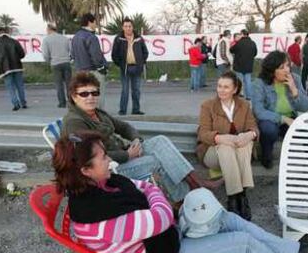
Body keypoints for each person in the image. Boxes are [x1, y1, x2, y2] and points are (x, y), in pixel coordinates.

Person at [53, 131, 308, 253]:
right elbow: (158, 213)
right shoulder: (96, 219)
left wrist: (155, 199)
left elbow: (147, 188)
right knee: (240, 243)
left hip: (163, 240)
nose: (109, 160)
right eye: (102, 157)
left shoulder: (104, 184)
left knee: (227, 219)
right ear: (86, 171)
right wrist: (157, 200)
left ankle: (293, 251)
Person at [61, 72, 223, 202]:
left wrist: (136, 139)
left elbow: (124, 127)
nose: (90, 97)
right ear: (74, 97)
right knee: (156, 160)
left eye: (94, 92)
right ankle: (185, 197)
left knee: (160, 141)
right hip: (108, 169)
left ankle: (195, 184)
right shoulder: (75, 122)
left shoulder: (97, 113)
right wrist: (128, 155)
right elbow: (86, 159)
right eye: (84, 94)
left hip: (122, 154)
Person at [197, 71, 259, 220]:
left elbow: (253, 126)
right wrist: (219, 138)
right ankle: (234, 196)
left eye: (226, 87)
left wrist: (250, 134)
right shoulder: (208, 106)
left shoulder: (244, 105)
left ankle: (240, 198)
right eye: (219, 86)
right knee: (226, 147)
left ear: (235, 89)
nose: (221, 90)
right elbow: (203, 133)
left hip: (238, 150)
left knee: (245, 144)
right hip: (212, 153)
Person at [252, 50, 308, 169]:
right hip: (270, 119)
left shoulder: (296, 79)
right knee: (268, 129)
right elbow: (259, 111)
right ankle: (266, 155)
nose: (286, 70)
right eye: (281, 67)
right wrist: (282, 118)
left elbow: (305, 107)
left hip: (290, 118)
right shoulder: (259, 83)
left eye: (288, 66)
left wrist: (294, 91)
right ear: (272, 70)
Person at [112, 17, 149, 115]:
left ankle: (136, 110)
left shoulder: (139, 38)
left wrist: (141, 62)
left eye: (129, 26)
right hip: (125, 68)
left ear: (132, 27)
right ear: (122, 27)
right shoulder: (118, 39)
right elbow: (114, 54)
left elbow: (145, 52)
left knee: (136, 90)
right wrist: (120, 65)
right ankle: (122, 110)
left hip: (137, 68)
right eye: (126, 26)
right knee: (125, 90)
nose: (128, 28)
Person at [71, 13, 108, 109]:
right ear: (90, 22)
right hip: (93, 71)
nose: (96, 24)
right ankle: (98, 119)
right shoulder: (91, 37)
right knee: (96, 98)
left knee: (84, 98)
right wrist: (102, 68)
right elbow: (96, 56)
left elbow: (73, 55)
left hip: (79, 71)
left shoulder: (75, 37)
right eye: (95, 22)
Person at [0, 27, 27, 111]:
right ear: (6, 32)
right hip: (17, 66)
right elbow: (22, 54)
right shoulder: (14, 41)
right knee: (20, 86)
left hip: (5, 68)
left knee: (10, 87)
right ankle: (23, 103)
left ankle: (15, 104)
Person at [42, 23, 71, 108]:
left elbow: (45, 54)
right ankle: (71, 102)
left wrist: (48, 61)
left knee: (59, 85)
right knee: (69, 84)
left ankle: (62, 103)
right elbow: (70, 50)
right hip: (66, 62)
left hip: (55, 63)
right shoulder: (64, 38)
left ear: (49, 29)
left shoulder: (46, 40)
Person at [230, 29, 258, 100]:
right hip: (249, 65)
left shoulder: (239, 43)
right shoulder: (252, 43)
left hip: (239, 65)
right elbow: (255, 53)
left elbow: (231, 50)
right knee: (248, 81)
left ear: (242, 34)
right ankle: (249, 96)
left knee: (240, 81)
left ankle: (240, 94)